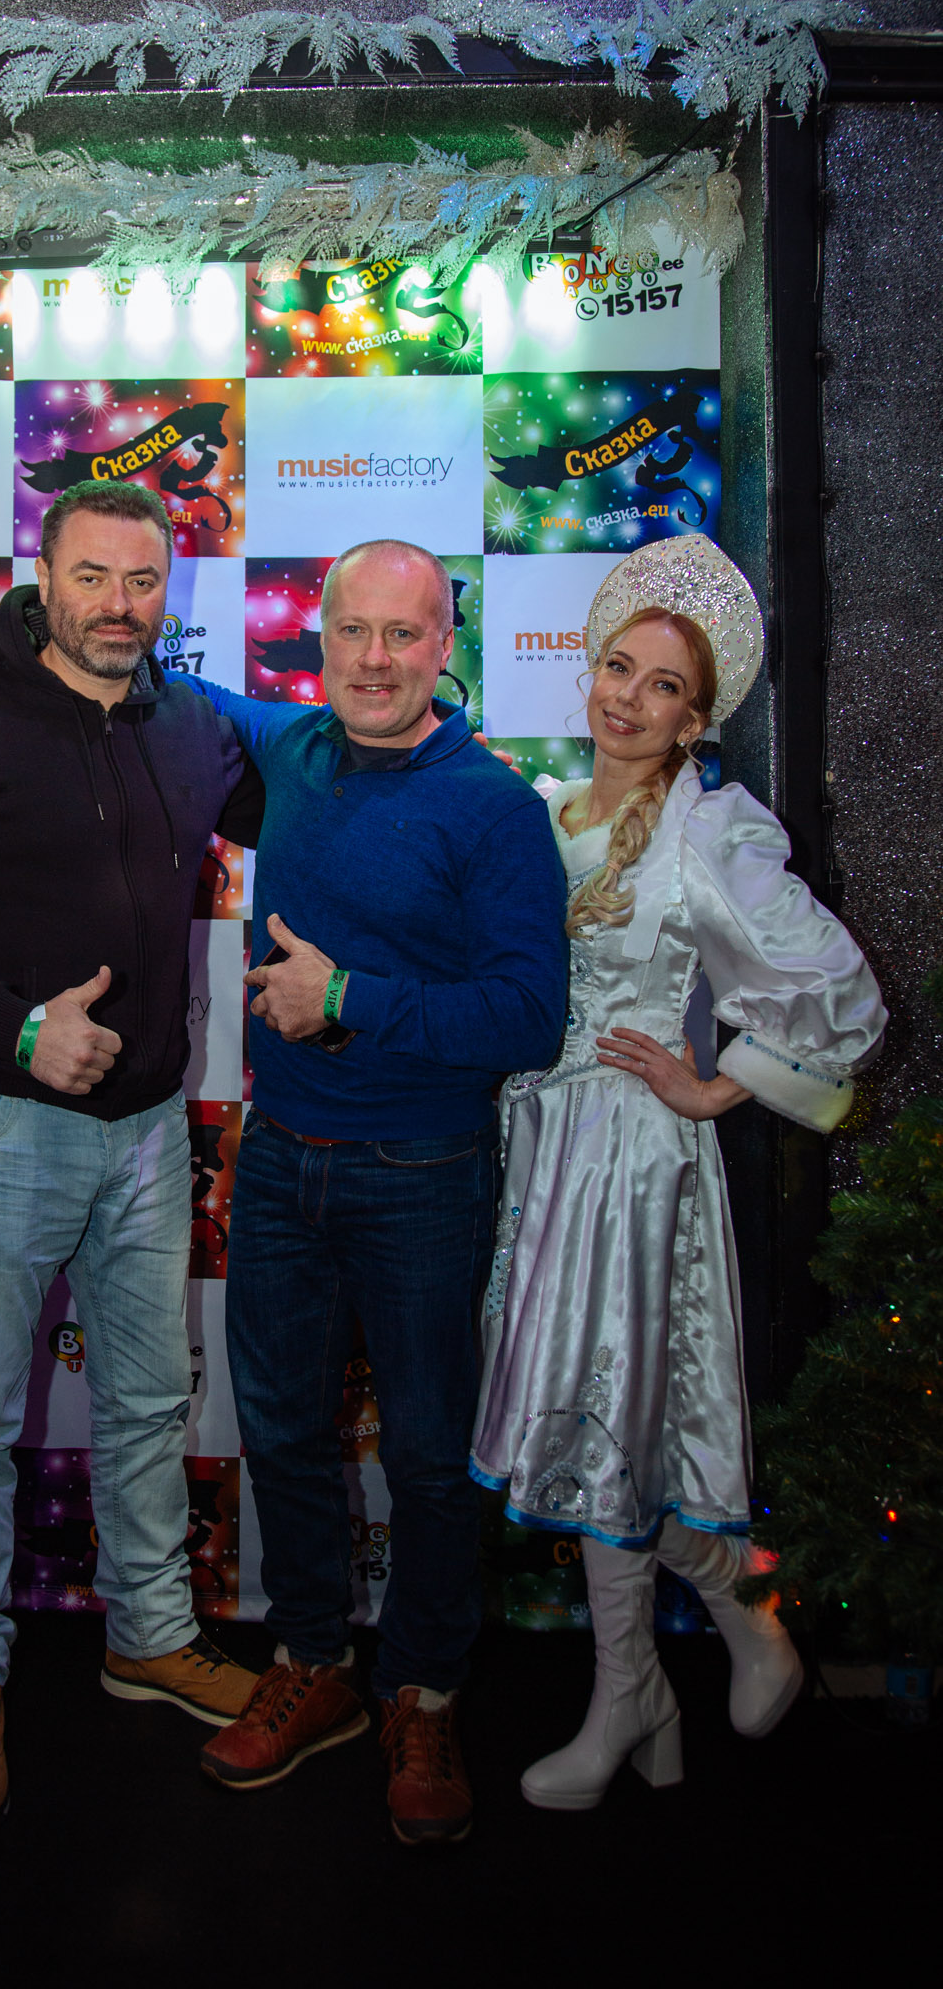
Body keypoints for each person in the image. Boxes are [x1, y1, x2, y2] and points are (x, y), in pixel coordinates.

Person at [0, 480, 267, 1831]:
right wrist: (20, 1030)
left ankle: (148, 1634)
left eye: (142, 581)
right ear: (43, 578)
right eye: (91, 576)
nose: (117, 604)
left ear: (170, 590)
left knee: (148, 1399)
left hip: (150, 1129)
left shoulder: (191, 724)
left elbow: (317, 797)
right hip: (5, 1126)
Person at [469, 534, 887, 1809]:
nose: (630, 699)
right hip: (544, 1153)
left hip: (636, 1163)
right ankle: (695, 1648)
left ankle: (640, 1689)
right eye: (618, 668)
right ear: (588, 671)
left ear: (696, 718)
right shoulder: (542, 810)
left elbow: (840, 989)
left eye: (663, 686)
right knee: (587, 1426)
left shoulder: (709, 830)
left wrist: (719, 1082)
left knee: (614, 1428)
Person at [187, 540, 569, 1845]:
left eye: (403, 635)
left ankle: (427, 1689)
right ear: (321, 638)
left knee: (425, 1454)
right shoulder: (292, 747)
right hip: (282, 1161)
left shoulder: (492, 808)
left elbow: (526, 1016)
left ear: (445, 647)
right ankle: (314, 1660)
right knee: (283, 1430)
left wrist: (346, 996)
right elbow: (155, 685)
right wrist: (39, 613)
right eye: (352, 630)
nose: (373, 658)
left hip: (423, 1174)